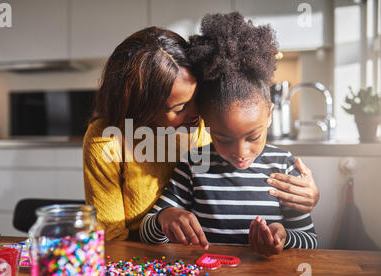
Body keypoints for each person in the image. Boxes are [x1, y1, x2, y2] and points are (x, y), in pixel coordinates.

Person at [83, 24, 320, 242]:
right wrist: (161, 222)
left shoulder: (206, 122)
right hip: (144, 261)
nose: (197, 111)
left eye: (196, 98)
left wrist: (307, 197)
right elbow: (111, 239)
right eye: (180, 107)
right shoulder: (107, 139)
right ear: (145, 108)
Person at [139, 12, 317, 256]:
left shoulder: (285, 166)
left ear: (269, 115)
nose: (241, 152)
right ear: (205, 123)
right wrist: (164, 217)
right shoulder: (193, 164)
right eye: (223, 139)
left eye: (253, 137)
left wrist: (284, 237)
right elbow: (146, 232)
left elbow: (311, 240)